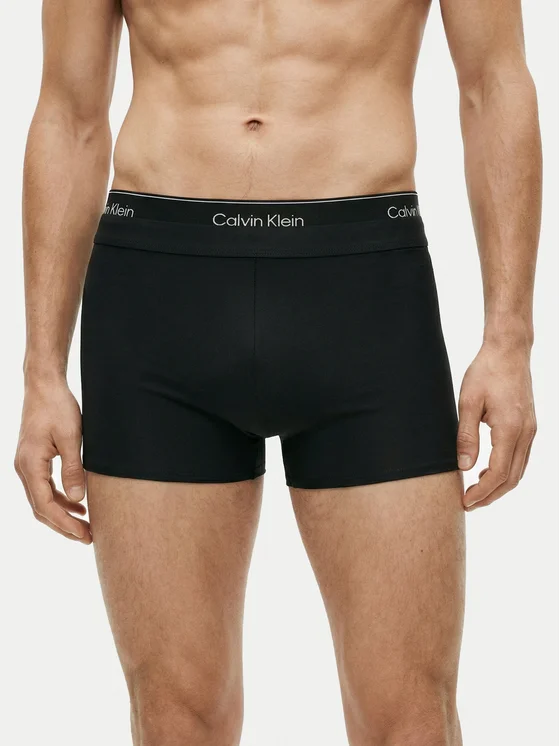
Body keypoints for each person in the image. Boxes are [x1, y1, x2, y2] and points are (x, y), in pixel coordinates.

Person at [15, 0, 541, 744]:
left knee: (412, 718)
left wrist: (510, 339)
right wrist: (42, 371)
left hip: (362, 294)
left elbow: (494, 84)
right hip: (160, 297)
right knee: (174, 720)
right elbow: (68, 113)